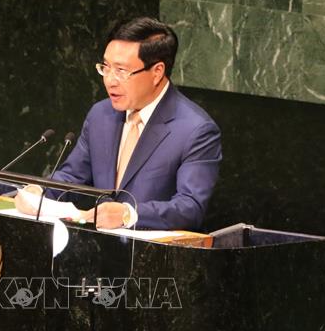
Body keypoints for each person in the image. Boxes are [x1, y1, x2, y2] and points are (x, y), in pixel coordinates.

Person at [15, 17, 222, 231]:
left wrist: (128, 214)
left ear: (157, 72)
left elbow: (190, 207)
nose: (110, 80)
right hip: (95, 244)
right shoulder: (100, 115)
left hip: (149, 248)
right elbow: (72, 176)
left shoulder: (195, 130)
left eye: (121, 71)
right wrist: (39, 191)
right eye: (106, 67)